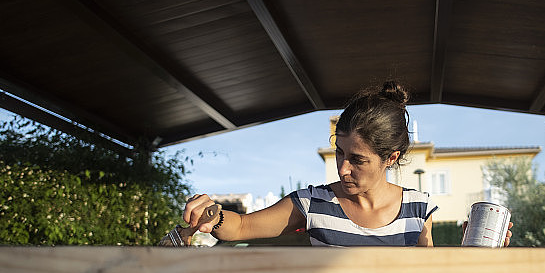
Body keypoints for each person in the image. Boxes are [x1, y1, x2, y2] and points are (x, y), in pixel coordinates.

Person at [183, 80, 512, 247]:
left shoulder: (418, 208)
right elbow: (241, 227)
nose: (342, 168)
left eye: (357, 160)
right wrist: (213, 215)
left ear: (391, 158)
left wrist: (474, 253)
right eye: (339, 152)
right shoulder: (313, 203)